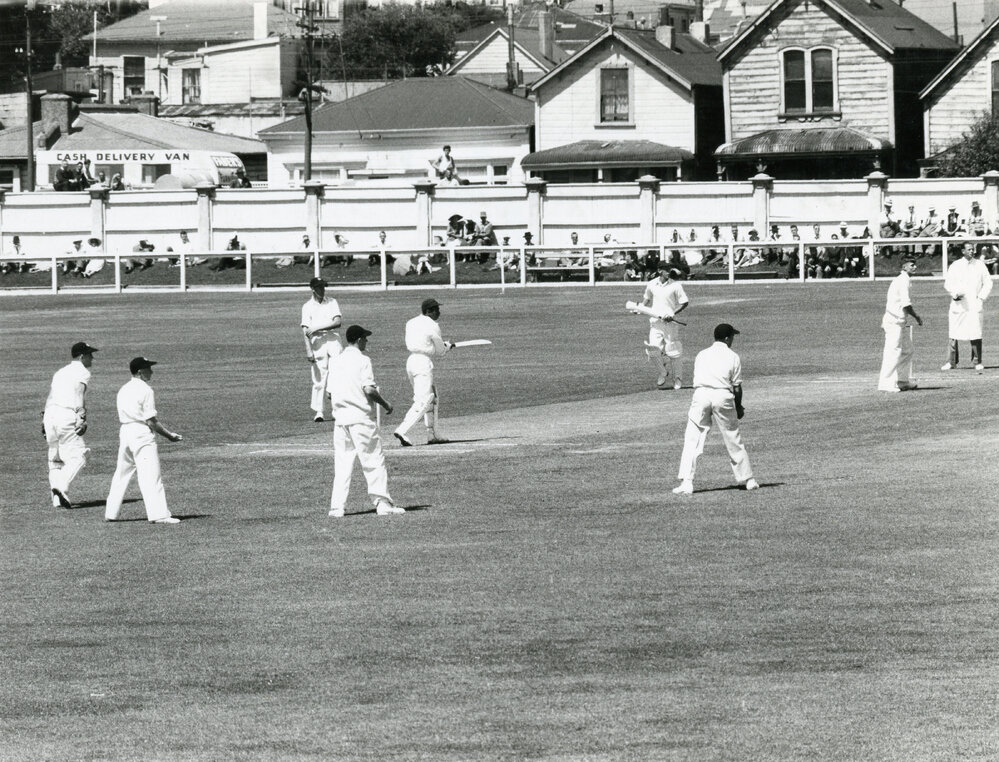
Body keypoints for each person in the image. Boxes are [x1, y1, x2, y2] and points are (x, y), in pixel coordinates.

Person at [672, 324, 759, 495]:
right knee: (733, 438)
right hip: (722, 396)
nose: (732, 340)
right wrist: (739, 407)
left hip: (701, 395)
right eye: (732, 337)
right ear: (727, 338)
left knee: (692, 439)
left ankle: (687, 482)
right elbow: (737, 387)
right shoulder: (733, 356)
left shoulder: (702, 354)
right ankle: (749, 480)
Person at [326, 324, 403, 517]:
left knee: (342, 464)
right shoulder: (363, 360)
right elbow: (369, 389)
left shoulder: (335, 361)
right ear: (359, 339)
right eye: (365, 338)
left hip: (341, 420)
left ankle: (337, 507)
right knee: (373, 460)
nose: (366, 341)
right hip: (360, 418)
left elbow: (329, 394)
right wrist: (386, 404)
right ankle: (382, 503)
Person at [104, 357, 184, 524]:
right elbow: (151, 421)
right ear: (140, 372)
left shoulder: (124, 389)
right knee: (150, 475)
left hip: (125, 432)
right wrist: (169, 435)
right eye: (148, 369)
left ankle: (111, 513)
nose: (151, 372)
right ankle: (159, 515)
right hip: (141, 433)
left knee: (121, 474)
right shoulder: (146, 390)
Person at [43, 341, 98, 508]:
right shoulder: (83, 371)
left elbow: (51, 396)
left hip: (50, 415)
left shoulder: (60, 372)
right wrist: (81, 416)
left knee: (55, 460)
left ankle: (57, 499)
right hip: (66, 415)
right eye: (89, 355)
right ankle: (61, 487)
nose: (92, 358)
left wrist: (44, 420)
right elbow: (79, 393)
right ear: (81, 356)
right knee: (80, 456)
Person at [394, 297, 453, 446]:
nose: (439, 312)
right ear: (428, 311)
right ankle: (402, 430)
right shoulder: (432, 325)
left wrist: (443, 346)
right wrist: (446, 346)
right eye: (436, 310)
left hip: (411, 362)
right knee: (424, 400)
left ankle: (433, 435)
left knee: (432, 398)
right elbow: (440, 351)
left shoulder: (411, 322)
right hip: (423, 363)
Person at [942, 242, 992, 371]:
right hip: (959, 304)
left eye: (973, 249)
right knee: (954, 332)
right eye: (969, 249)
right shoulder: (955, 265)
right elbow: (948, 283)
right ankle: (951, 362)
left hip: (975, 304)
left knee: (975, 332)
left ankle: (977, 361)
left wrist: (981, 297)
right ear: (963, 251)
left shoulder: (980, 265)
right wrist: (954, 294)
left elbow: (988, 282)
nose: (972, 251)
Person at [301, 276, 343, 422]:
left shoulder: (332, 302)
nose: (322, 290)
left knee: (337, 374)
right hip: (317, 343)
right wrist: (308, 350)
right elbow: (305, 330)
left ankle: (337, 409)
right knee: (319, 377)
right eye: (319, 287)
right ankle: (319, 411)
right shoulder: (307, 306)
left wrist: (317, 327)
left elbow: (337, 322)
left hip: (333, 340)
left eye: (323, 287)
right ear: (312, 289)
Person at [878, 257, 922, 392]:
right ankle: (885, 384)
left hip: (900, 322)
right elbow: (906, 304)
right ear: (904, 267)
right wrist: (917, 317)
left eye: (915, 265)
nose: (914, 267)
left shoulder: (905, 280)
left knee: (907, 350)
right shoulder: (902, 280)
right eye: (911, 265)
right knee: (893, 352)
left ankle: (902, 381)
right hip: (893, 322)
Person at [642, 262, 689, 389]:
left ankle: (677, 378)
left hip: (670, 323)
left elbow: (684, 302)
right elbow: (647, 298)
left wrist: (672, 313)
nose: (669, 271)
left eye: (670, 269)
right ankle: (663, 372)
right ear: (659, 271)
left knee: (674, 351)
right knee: (653, 350)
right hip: (655, 322)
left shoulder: (676, 285)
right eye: (666, 269)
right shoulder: (651, 284)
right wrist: (640, 307)